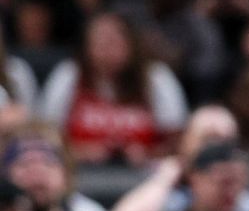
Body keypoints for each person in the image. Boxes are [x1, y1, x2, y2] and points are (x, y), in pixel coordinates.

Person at [35, 11, 189, 166]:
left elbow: (178, 143)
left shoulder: (156, 77)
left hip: (147, 175)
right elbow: (45, 135)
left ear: (131, 43)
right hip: (81, 173)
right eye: (99, 42)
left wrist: (149, 153)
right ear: (86, 46)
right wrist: (78, 152)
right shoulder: (69, 75)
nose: (107, 49)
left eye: (114, 41)